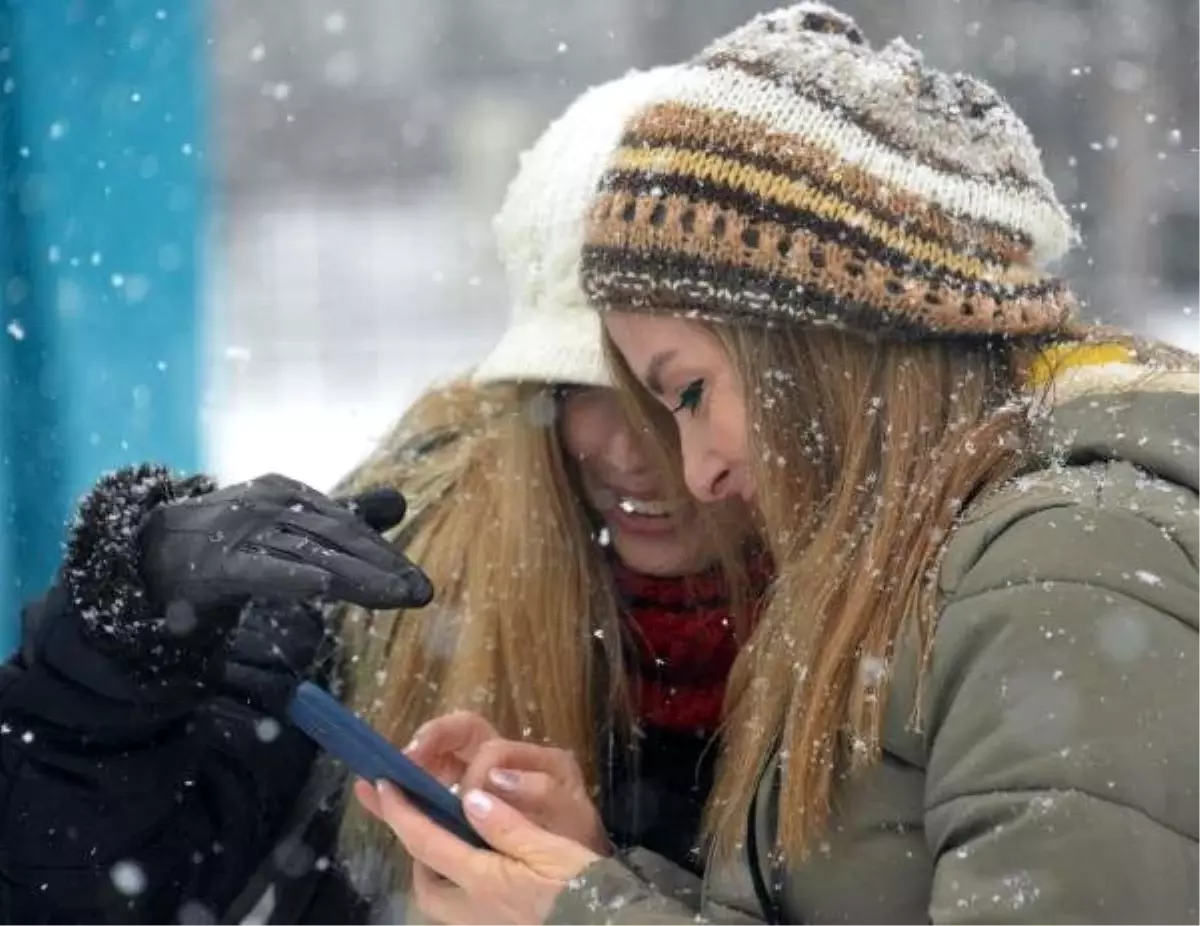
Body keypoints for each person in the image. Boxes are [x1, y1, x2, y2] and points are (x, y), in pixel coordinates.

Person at [359, 4, 1200, 925]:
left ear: (813, 344)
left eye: (687, 394)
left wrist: (586, 915)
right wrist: (592, 877)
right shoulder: (937, 567)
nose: (696, 473)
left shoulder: (1064, 572)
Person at [0, 64, 763, 925]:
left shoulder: (920, 640)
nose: (634, 454)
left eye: (678, 393)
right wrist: (118, 648)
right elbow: (71, 887)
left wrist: (588, 898)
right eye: (584, 389)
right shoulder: (389, 591)